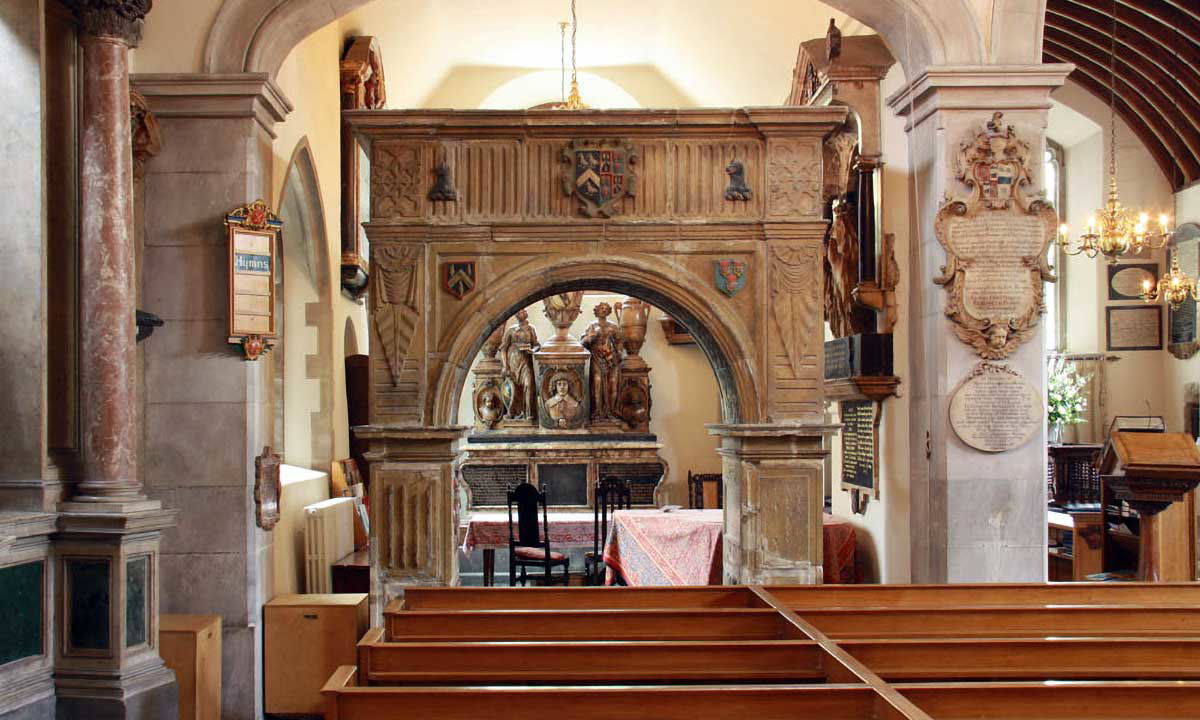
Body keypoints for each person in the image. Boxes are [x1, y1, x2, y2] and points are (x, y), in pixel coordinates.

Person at [581, 302, 622, 421]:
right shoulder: (592, 326)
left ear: (609, 311)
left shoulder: (613, 326)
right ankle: (598, 412)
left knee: (613, 384)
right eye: (601, 308)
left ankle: (611, 412)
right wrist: (589, 338)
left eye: (605, 308)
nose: (603, 310)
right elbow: (582, 343)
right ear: (596, 311)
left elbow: (620, 341)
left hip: (611, 359)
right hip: (597, 357)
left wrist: (619, 352)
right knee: (597, 383)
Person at [498, 309, 539, 420]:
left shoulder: (531, 329)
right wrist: (505, 366)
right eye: (518, 312)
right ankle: (513, 413)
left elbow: (536, 345)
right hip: (513, 362)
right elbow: (503, 348)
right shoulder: (511, 330)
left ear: (526, 313)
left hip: (525, 361)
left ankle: (529, 414)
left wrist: (532, 350)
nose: (520, 313)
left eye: (522, 311)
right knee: (513, 389)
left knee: (528, 384)